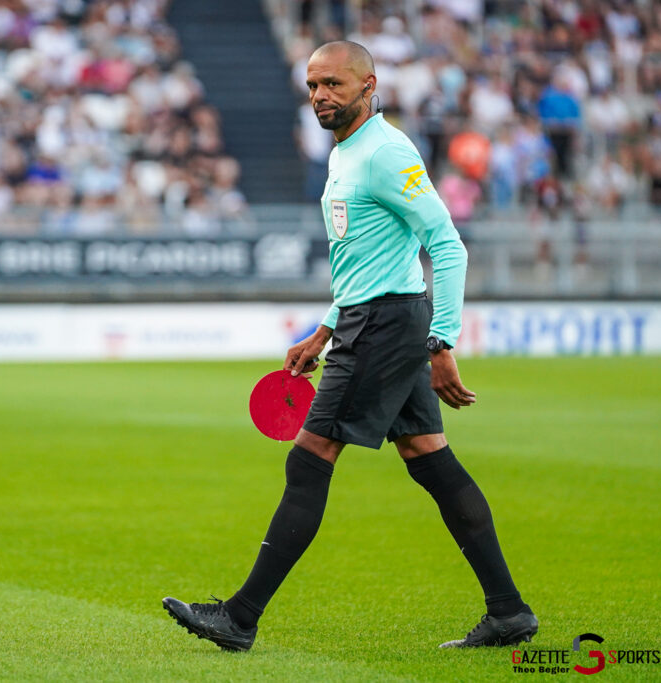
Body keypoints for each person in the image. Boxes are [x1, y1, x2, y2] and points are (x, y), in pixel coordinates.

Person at [163, 41, 536, 652]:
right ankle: (509, 611)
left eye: (333, 84)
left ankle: (240, 617)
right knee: (428, 457)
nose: (320, 97)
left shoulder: (387, 152)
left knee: (308, 458)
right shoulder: (344, 153)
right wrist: (325, 328)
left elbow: (447, 245)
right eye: (313, 86)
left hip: (387, 327)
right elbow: (365, 258)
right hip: (368, 319)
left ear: (369, 84)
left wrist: (442, 340)